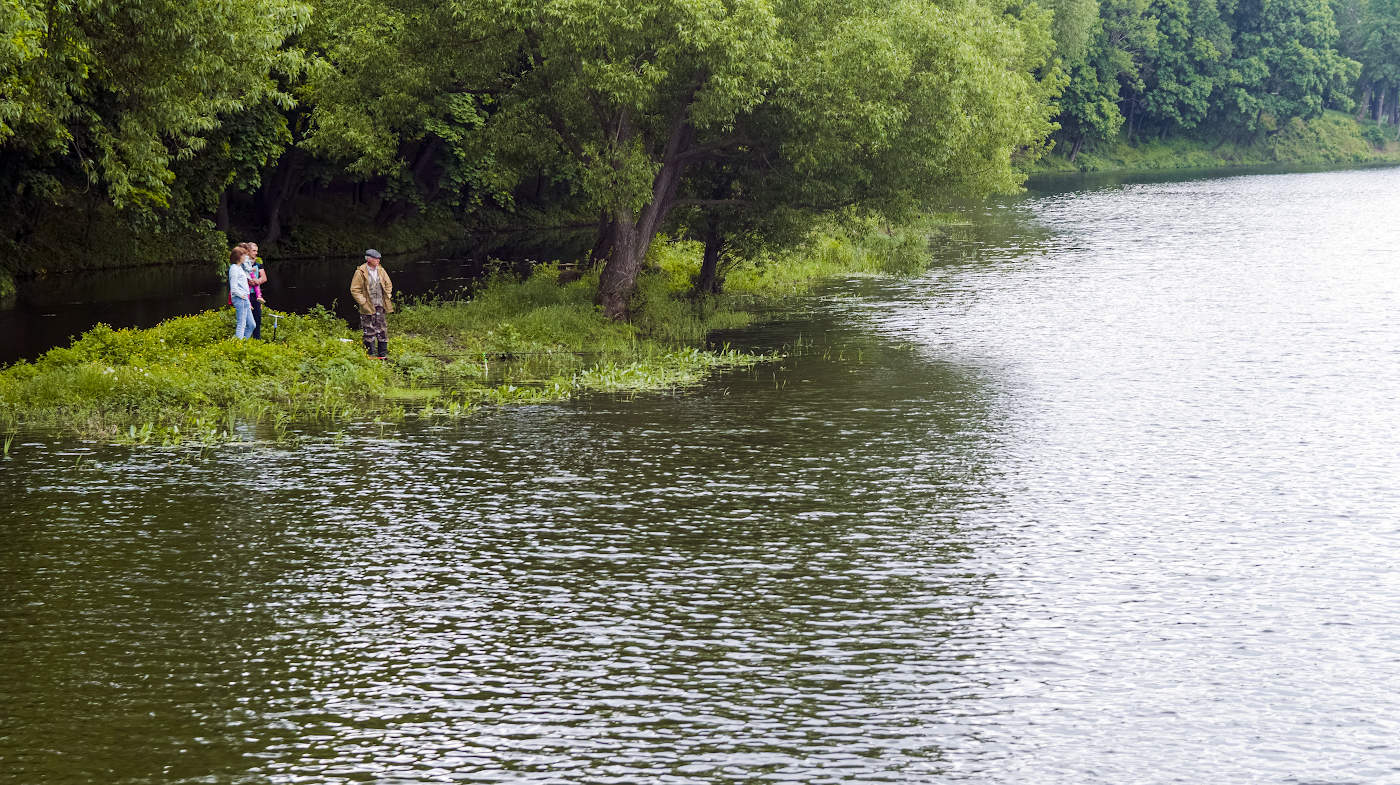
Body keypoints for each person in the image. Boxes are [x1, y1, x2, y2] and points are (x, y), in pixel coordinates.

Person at [350, 248, 393, 358]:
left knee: (382, 328)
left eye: (378, 258)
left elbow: (388, 284)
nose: (378, 260)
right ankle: (370, 355)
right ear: (368, 259)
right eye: (375, 258)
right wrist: (363, 302)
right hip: (368, 306)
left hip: (380, 304)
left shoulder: (381, 270)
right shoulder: (360, 272)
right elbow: (354, 289)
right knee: (368, 329)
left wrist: (387, 295)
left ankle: (382, 354)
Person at [228, 246, 257, 339]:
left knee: (252, 325)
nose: (245, 257)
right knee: (242, 324)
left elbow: (249, 269)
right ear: (239, 256)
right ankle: (238, 347)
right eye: (244, 255)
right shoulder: (234, 268)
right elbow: (233, 288)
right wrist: (242, 296)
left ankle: (242, 344)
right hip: (240, 298)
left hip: (244, 299)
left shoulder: (239, 268)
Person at [247, 242, 267, 339]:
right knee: (246, 319)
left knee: (257, 318)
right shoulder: (242, 264)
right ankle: (245, 339)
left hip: (256, 295)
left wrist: (257, 281)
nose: (256, 253)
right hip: (246, 295)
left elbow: (264, 278)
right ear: (248, 251)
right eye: (254, 251)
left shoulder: (258, 265)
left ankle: (257, 340)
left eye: (256, 251)